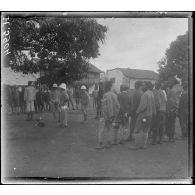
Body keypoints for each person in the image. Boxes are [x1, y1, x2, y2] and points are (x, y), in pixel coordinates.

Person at [96, 80, 120, 149]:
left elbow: (104, 108)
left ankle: (100, 144)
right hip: (112, 116)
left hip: (105, 116)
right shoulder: (115, 95)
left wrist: (105, 116)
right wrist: (114, 115)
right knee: (109, 129)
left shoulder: (105, 95)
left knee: (101, 129)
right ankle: (108, 143)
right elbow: (118, 106)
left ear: (106, 87)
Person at [132, 81, 156, 149]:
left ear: (147, 86)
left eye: (144, 85)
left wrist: (137, 112)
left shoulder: (145, 94)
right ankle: (143, 145)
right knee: (146, 129)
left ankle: (136, 145)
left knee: (137, 129)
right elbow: (153, 105)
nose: (142, 86)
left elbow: (143, 106)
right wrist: (154, 113)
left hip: (143, 115)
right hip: (149, 115)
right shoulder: (151, 93)